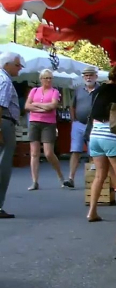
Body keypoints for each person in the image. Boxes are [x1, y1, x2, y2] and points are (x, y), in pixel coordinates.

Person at [85, 65, 116, 222]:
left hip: (95, 134)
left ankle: (92, 212)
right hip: (110, 135)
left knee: (100, 175)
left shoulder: (99, 89)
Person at [24, 68, 65, 190]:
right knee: (34, 153)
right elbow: (27, 106)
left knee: (48, 153)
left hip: (48, 123)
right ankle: (35, 181)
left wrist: (35, 105)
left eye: (50, 78)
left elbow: (53, 105)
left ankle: (60, 176)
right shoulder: (34, 90)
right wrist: (43, 108)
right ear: (41, 79)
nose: (48, 80)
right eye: (46, 78)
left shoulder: (55, 91)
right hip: (34, 122)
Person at [65, 66, 99, 189]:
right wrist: (73, 119)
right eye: (86, 75)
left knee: (93, 151)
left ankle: (92, 180)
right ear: (83, 77)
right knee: (75, 150)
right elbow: (72, 105)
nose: (88, 77)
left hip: (94, 124)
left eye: (91, 75)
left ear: (96, 76)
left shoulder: (100, 90)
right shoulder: (79, 90)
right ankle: (70, 178)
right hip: (78, 124)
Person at [0, 52, 24, 219]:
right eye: (17, 65)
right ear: (6, 64)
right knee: (3, 166)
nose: (20, 68)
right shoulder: (5, 81)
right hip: (4, 122)